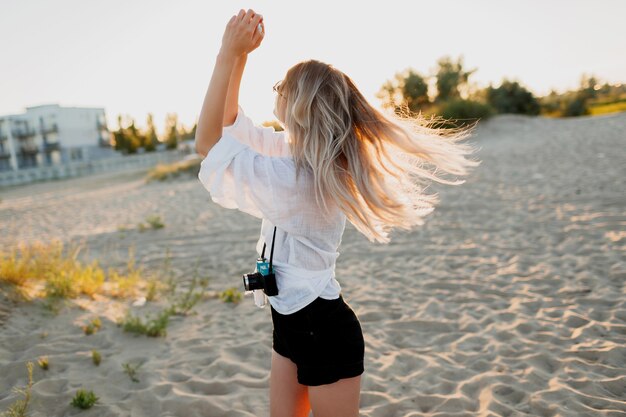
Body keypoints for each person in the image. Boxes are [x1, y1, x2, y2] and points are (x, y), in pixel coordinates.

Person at [195, 9, 481, 417]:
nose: (274, 90)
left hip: (322, 328)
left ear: (298, 102)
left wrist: (227, 52)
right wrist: (241, 57)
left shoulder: (297, 176)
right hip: (291, 322)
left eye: (280, 86)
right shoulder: (298, 154)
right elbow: (229, 128)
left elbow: (208, 142)